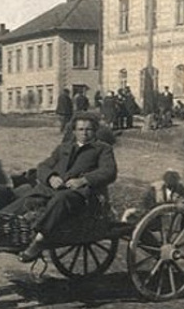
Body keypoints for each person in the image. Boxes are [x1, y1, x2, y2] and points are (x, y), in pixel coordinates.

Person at [15, 112, 117, 262]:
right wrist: (51, 178)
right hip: (54, 190)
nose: (84, 133)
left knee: (61, 199)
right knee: (29, 196)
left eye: (88, 129)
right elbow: (43, 166)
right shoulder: (63, 148)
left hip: (82, 196)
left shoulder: (102, 149)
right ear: (74, 131)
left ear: (95, 131)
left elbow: (109, 172)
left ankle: (39, 240)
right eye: (80, 129)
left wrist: (83, 180)